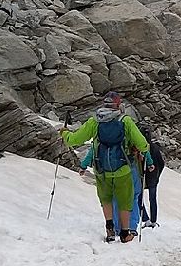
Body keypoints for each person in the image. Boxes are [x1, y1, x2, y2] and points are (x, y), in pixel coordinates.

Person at [61, 92, 150, 243]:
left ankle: (110, 230)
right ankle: (124, 233)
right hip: (123, 169)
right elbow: (142, 144)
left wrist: (65, 134)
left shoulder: (94, 122)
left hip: (101, 170)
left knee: (106, 199)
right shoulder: (125, 121)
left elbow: (75, 140)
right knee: (125, 200)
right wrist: (143, 150)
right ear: (118, 105)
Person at [138, 137, 166, 229]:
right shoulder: (155, 148)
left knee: (139, 198)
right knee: (153, 199)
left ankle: (146, 219)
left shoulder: (140, 147)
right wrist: (158, 175)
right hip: (153, 178)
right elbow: (161, 163)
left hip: (142, 177)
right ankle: (153, 221)